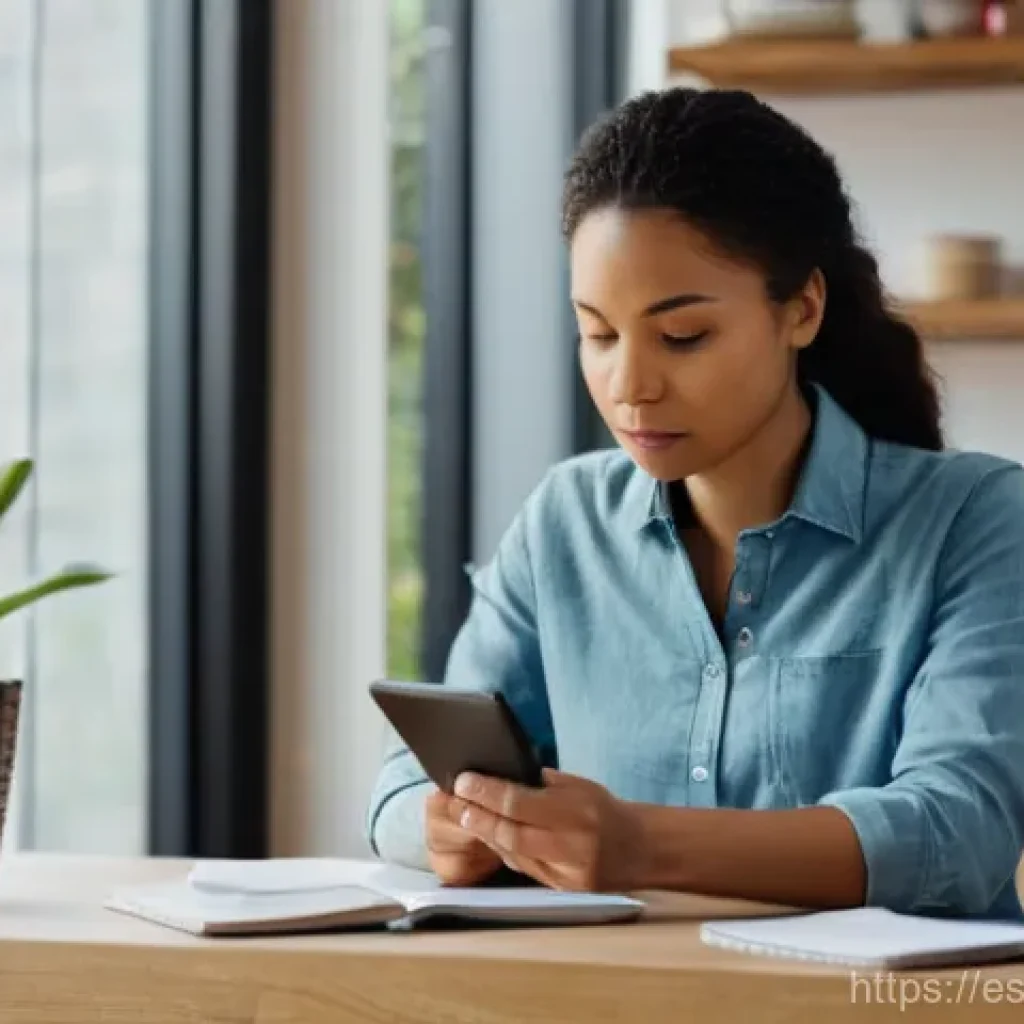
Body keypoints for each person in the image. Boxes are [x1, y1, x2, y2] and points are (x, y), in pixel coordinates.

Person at [366, 87, 1024, 919]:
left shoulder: (978, 521)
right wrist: (450, 827)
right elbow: (401, 784)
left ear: (802, 309)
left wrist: (639, 844)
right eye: (598, 333)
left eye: (683, 336)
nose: (630, 385)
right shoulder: (563, 524)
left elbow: (958, 832)